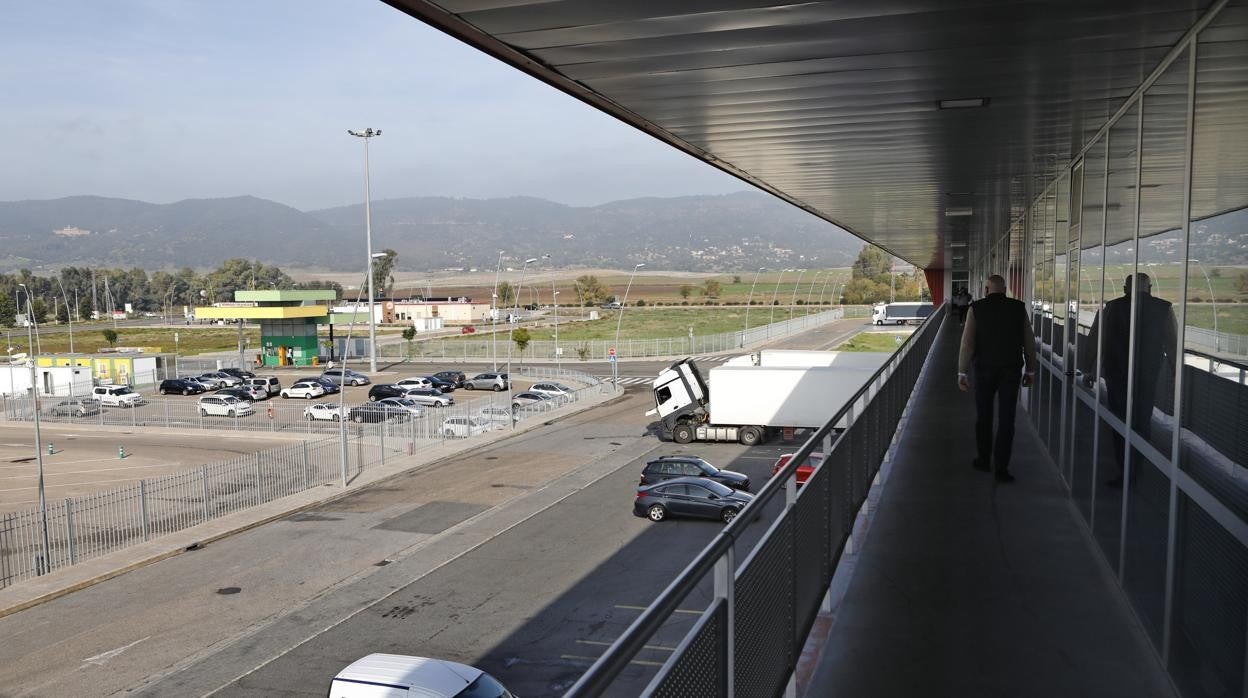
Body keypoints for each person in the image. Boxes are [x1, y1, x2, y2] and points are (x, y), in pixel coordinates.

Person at [1079, 272, 1176, 487]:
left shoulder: (1111, 308)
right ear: (1150, 288)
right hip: (1148, 375)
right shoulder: (1164, 309)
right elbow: (1173, 346)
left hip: (1117, 373)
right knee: (1142, 422)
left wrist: (1088, 370)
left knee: (1119, 421)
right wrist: (1177, 376)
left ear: (1125, 289)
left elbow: (1095, 339)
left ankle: (1125, 471)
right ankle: (1136, 470)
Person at [957, 275, 1037, 483]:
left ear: (986, 290)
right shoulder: (1018, 308)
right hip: (1011, 370)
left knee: (984, 416)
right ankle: (1002, 468)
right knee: (1007, 419)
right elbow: (1029, 341)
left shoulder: (976, 308)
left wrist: (962, 371)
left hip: (984, 370)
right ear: (1005, 289)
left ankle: (984, 460)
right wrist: (1030, 370)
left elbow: (967, 343)